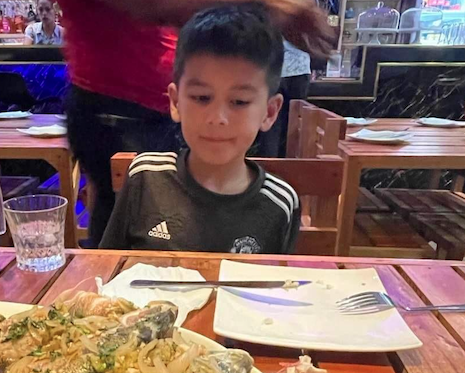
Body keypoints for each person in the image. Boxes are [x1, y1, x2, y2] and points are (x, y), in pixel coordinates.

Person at [57, 0, 332, 247]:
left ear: (269, 112)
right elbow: (110, 268)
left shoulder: (280, 203)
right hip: (112, 106)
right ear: (176, 101)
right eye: (202, 98)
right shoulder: (142, 180)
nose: (217, 118)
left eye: (239, 102)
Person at [257, 39, 311, 157]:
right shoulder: (306, 27)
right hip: (300, 70)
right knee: (294, 121)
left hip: (275, 70)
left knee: (271, 120)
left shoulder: (275, 25)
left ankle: (268, 162)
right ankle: (289, 162)